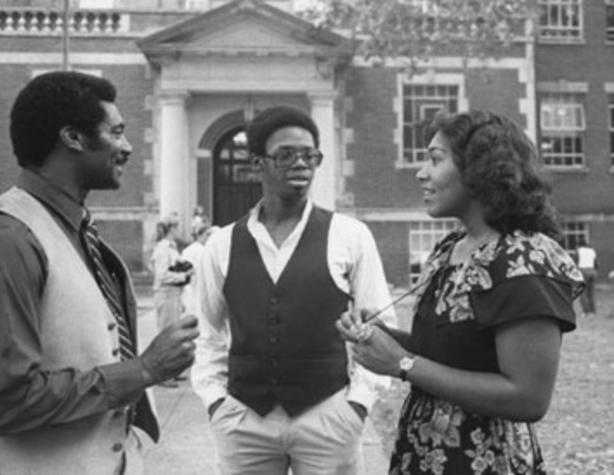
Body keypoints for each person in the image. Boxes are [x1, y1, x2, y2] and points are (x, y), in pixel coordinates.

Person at [0, 71, 199, 475]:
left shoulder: (77, 232)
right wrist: (144, 370)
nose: (127, 147)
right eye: (116, 132)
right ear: (73, 138)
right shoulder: (1, 243)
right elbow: (3, 401)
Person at [337, 110, 585, 474]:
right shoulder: (449, 249)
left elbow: (528, 397)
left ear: (480, 170)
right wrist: (383, 338)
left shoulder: (525, 260)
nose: (421, 173)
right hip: (423, 454)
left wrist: (402, 365)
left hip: (485, 462)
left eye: (435, 160)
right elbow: (450, 352)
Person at [191, 105, 397, 474]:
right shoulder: (221, 244)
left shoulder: (349, 235)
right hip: (245, 420)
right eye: (285, 155)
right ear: (257, 164)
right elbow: (206, 333)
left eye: (309, 155)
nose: (301, 163)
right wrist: (216, 403)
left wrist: (357, 405)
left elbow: (379, 325)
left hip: (328, 417)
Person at [151, 218, 194, 387]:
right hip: (166, 293)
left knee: (174, 333)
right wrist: (184, 276)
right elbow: (161, 274)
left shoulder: (171, 247)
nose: (179, 231)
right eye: (177, 228)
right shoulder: (163, 248)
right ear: (171, 229)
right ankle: (162, 375)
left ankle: (171, 371)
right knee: (166, 334)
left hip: (174, 294)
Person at [181, 224, 219, 316]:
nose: (209, 237)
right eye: (207, 234)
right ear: (200, 235)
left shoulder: (201, 250)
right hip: (194, 289)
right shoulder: (197, 250)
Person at [575, 238, 598, 316]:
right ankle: (593, 311)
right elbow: (596, 263)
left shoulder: (578, 251)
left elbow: (574, 262)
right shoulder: (592, 250)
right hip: (592, 271)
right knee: (591, 292)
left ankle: (585, 312)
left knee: (582, 292)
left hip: (583, 271)